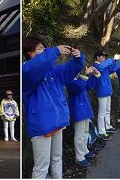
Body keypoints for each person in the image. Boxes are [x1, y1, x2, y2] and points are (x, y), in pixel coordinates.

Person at [22, 36, 84, 179]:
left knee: (57, 159)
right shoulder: (26, 70)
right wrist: (54, 51)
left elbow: (71, 69)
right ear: (29, 53)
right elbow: (33, 68)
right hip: (41, 126)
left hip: (57, 121)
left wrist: (78, 58)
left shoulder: (53, 71)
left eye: (44, 48)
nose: (44, 51)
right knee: (41, 166)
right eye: (39, 49)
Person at [67, 65, 100, 167]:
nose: (78, 72)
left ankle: (84, 150)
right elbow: (79, 87)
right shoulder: (70, 81)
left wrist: (95, 75)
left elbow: (89, 86)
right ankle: (79, 156)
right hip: (78, 111)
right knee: (79, 135)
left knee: (85, 132)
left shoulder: (79, 78)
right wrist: (85, 75)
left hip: (84, 109)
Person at [93, 51, 120, 141]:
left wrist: (119, 61)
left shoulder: (104, 66)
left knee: (107, 110)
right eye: (102, 56)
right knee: (102, 112)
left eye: (105, 57)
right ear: (97, 57)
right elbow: (101, 67)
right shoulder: (96, 66)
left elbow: (113, 69)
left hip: (107, 91)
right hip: (102, 92)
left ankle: (108, 126)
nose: (104, 58)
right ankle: (101, 131)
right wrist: (113, 59)